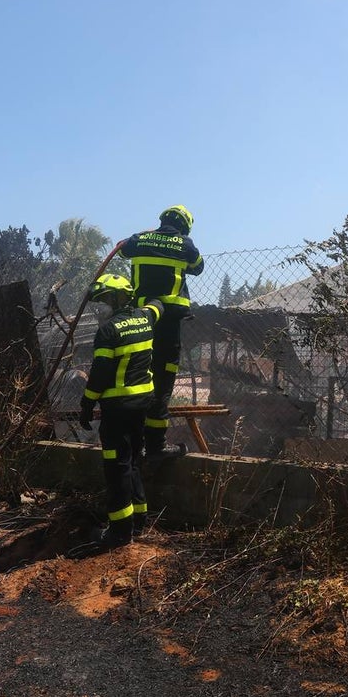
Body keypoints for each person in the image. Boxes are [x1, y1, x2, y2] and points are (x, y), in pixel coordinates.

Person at [78, 273, 163, 550]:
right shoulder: (144, 319)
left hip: (116, 411)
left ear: (117, 299)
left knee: (116, 468)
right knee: (133, 461)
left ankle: (119, 533)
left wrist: (87, 403)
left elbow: (100, 374)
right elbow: (157, 307)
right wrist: (155, 297)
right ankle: (139, 522)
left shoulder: (108, 331)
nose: (98, 308)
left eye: (102, 301)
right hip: (142, 406)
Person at [118, 205, 204, 458]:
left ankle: (131, 442)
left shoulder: (139, 239)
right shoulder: (185, 245)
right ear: (185, 225)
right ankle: (155, 446)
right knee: (162, 381)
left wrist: (146, 239)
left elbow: (123, 251)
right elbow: (197, 267)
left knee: (135, 377)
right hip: (167, 325)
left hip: (138, 322)